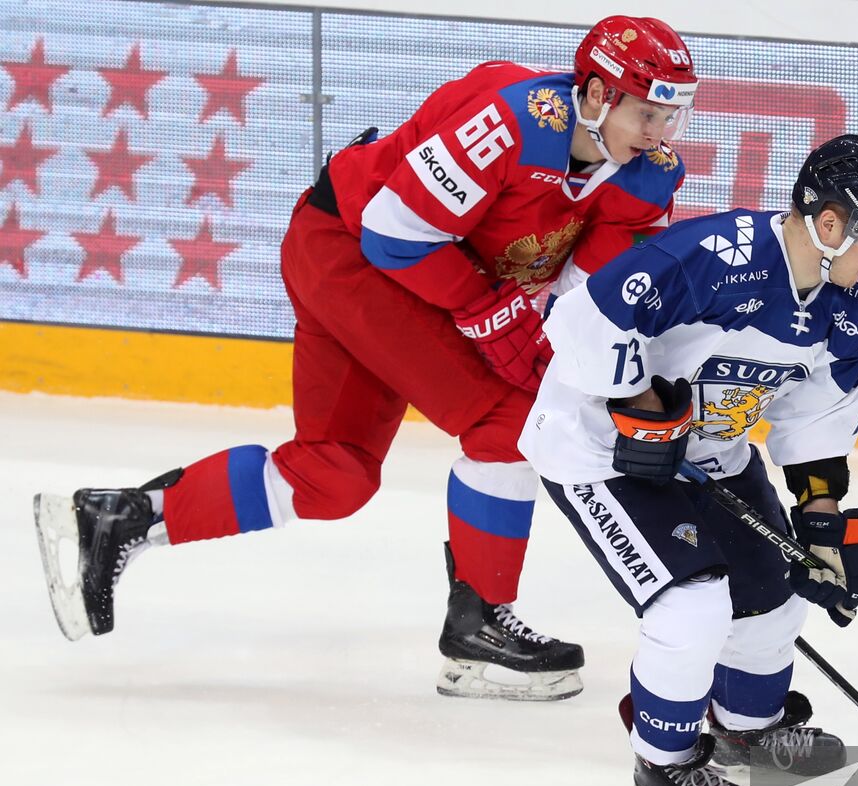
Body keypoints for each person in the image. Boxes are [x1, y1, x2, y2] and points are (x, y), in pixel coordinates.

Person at [32, 16, 700, 702]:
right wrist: (488, 311)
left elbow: (590, 292)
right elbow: (394, 234)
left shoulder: (650, 177)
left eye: (672, 116)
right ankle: (477, 630)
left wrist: (602, 371)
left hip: (403, 276)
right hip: (351, 254)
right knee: (509, 420)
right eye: (647, 112)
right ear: (595, 93)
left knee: (334, 477)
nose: (660, 133)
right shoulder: (514, 121)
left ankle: (121, 518)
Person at [518, 134, 858, 786]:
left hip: (714, 452)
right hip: (601, 450)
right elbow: (583, 320)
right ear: (829, 223)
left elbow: (815, 424)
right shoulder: (715, 257)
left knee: (775, 600)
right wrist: (642, 409)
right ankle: (664, 760)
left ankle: (746, 730)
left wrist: (824, 530)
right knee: (692, 609)